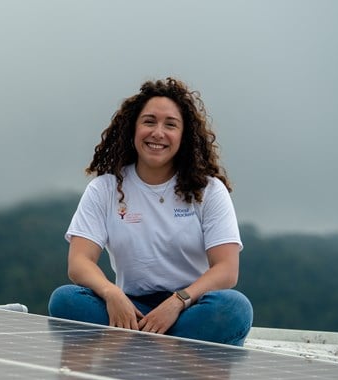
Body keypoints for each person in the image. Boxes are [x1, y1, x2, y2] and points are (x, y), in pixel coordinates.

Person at [48, 77, 253, 346]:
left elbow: (226, 269)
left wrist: (178, 301)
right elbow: (79, 262)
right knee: (65, 300)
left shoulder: (209, 190)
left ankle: (134, 345)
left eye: (170, 124)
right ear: (133, 129)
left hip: (189, 307)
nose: (158, 133)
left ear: (184, 136)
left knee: (235, 308)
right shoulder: (105, 188)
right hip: (129, 309)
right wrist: (111, 293)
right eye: (149, 121)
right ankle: (165, 346)